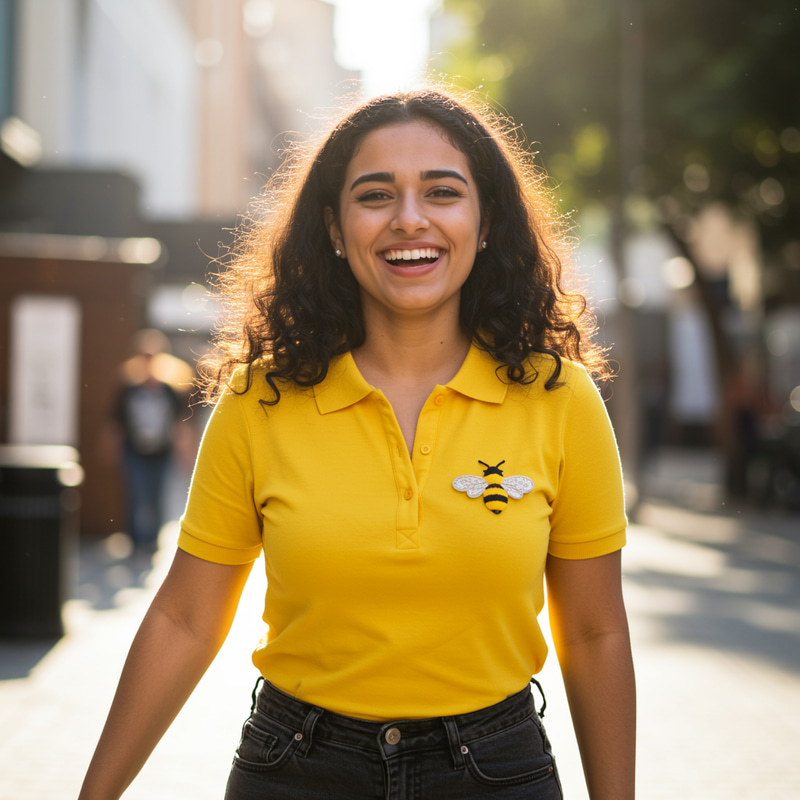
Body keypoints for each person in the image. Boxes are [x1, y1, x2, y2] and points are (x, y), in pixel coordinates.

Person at [79, 88, 635, 800]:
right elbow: (185, 619)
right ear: (335, 228)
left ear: (486, 220)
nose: (410, 219)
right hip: (296, 768)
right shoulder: (260, 400)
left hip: (497, 771)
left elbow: (595, 635)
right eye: (375, 195)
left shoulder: (561, 399)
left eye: (443, 192)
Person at [110, 329, 190, 551]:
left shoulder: (169, 391)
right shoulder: (128, 389)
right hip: (134, 449)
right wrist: (113, 446)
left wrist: (184, 450)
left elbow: (179, 422)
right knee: (136, 494)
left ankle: (152, 542)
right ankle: (136, 541)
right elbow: (116, 419)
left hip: (161, 450)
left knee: (157, 496)